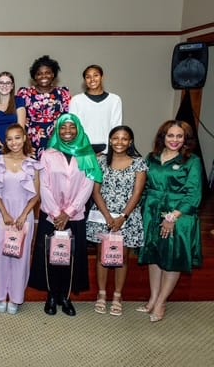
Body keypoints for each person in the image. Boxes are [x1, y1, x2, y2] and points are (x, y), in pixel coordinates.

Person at [28, 114, 102, 316]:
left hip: (75, 217)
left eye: (71, 127)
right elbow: (43, 185)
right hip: (51, 216)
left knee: (71, 257)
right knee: (51, 257)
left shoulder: (87, 155)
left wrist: (68, 213)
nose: (67, 131)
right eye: (63, 127)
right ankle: (52, 296)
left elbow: (87, 186)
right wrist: (56, 213)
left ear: (78, 129)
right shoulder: (48, 154)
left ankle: (66, 296)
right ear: (57, 131)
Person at [138, 120, 203, 322]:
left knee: (172, 259)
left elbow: (193, 194)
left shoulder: (192, 161)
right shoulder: (152, 158)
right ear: (163, 137)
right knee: (154, 255)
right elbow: (143, 186)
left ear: (186, 139)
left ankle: (161, 302)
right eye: (170, 135)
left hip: (179, 215)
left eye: (179, 136)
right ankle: (153, 298)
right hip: (152, 212)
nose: (175, 140)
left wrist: (172, 216)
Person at [86, 126, 147, 316]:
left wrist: (122, 217)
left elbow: (137, 193)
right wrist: (108, 217)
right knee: (101, 256)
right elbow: (95, 192)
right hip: (102, 216)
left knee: (122, 258)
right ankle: (102, 294)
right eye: (115, 138)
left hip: (127, 218)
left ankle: (118, 295)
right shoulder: (101, 161)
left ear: (130, 142)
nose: (119, 142)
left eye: (124, 138)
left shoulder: (139, 163)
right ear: (110, 140)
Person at [0, 124, 40, 315]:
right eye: (9, 139)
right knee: (1, 255)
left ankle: (16, 297)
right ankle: (0, 295)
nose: (13, 142)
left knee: (21, 256)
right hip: (3, 214)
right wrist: (5, 213)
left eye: (17, 138)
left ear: (24, 138)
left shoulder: (33, 164)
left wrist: (24, 215)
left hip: (24, 214)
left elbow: (36, 195)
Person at [16, 55, 70, 159]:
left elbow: (67, 119)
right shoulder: (25, 94)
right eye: (39, 74)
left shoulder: (62, 93)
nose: (43, 76)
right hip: (31, 142)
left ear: (53, 74)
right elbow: (19, 121)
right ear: (34, 76)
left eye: (47, 73)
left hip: (57, 141)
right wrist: (24, 143)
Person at [69, 65, 123, 154]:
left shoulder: (115, 100)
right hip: (83, 151)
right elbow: (73, 128)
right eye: (88, 77)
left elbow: (116, 128)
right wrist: (82, 151)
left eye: (96, 75)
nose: (92, 79)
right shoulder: (76, 100)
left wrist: (106, 152)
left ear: (102, 77)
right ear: (85, 80)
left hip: (107, 151)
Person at [0, 72, 26, 162]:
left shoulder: (19, 101)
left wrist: (12, 146)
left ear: (12, 86)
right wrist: (1, 147)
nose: (4, 86)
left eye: (8, 83)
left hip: (15, 147)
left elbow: (21, 128)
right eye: (1, 83)